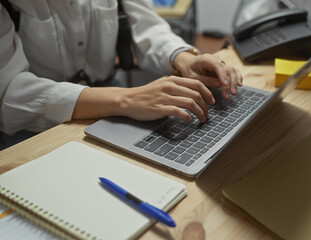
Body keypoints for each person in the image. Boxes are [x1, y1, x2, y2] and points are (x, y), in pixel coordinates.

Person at [0, 0, 243, 149]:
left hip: (111, 98)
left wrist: (185, 59)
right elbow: (8, 91)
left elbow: (148, 26)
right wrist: (126, 99)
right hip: (31, 127)